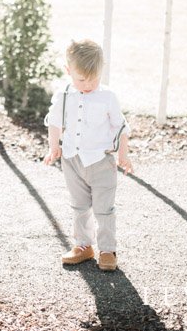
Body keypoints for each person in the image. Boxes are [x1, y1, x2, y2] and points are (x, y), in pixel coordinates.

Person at [43, 39, 134, 272]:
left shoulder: (107, 96)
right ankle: (84, 246)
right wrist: (54, 146)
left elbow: (120, 127)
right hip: (72, 160)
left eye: (94, 79)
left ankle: (107, 249)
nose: (88, 84)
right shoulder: (63, 95)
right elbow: (54, 122)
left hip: (101, 161)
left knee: (104, 208)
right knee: (79, 206)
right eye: (81, 79)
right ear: (68, 71)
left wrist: (123, 154)